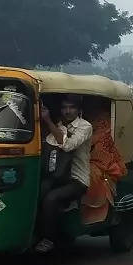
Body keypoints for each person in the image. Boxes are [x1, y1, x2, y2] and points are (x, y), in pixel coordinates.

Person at [36, 94, 93, 253]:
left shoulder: (85, 127)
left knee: (51, 199)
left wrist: (48, 121)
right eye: (64, 107)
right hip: (57, 175)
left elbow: (67, 145)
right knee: (36, 193)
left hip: (76, 179)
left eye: (71, 107)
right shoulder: (60, 126)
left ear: (79, 110)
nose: (68, 111)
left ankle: (49, 238)